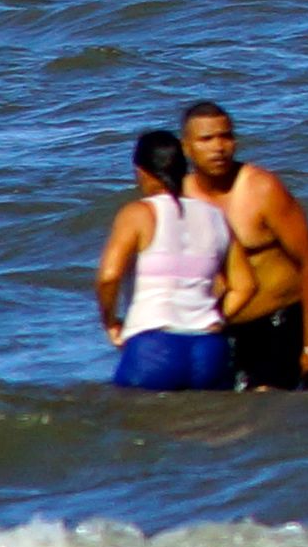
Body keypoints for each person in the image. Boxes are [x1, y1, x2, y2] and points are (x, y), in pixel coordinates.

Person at [179, 102, 308, 391]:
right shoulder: (180, 198)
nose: (218, 147)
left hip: (277, 324)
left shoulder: (262, 189)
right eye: (206, 139)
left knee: (265, 405)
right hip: (218, 330)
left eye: (225, 136)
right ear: (186, 147)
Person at [96, 129, 237, 391]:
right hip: (210, 348)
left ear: (141, 172)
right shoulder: (215, 215)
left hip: (154, 347)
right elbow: (243, 285)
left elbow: (109, 277)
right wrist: (211, 317)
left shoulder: (138, 213)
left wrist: (111, 323)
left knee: (131, 415)